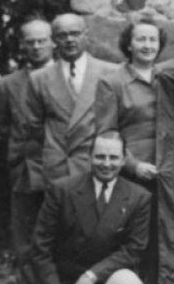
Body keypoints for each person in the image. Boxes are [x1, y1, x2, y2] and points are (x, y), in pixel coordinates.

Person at [31, 130, 151, 284]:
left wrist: (91, 276)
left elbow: (134, 250)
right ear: (89, 157)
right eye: (100, 156)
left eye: (113, 157)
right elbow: (40, 248)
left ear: (123, 160)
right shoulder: (62, 190)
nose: (106, 164)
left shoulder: (139, 197)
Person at [14, 12, 111, 188]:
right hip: (58, 168)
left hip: (98, 164)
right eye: (62, 35)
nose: (69, 40)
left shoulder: (109, 72)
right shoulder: (39, 78)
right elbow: (35, 127)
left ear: (86, 35)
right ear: (53, 40)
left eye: (75, 33)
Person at [0, 17, 53, 284]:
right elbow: (1, 127)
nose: (37, 46)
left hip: (59, 170)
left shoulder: (64, 76)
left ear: (52, 42)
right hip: (24, 173)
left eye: (42, 40)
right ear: (22, 46)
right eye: (31, 42)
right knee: (26, 237)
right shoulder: (7, 84)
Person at [98, 19, 164, 185]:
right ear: (129, 45)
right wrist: (134, 166)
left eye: (152, 40)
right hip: (132, 175)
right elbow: (107, 133)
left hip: (168, 171)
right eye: (141, 39)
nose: (147, 45)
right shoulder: (112, 83)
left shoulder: (169, 79)